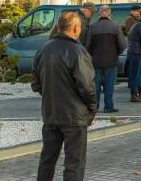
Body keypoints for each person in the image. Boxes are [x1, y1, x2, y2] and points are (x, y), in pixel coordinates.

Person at [32, 12, 96, 181]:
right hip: (74, 116)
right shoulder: (78, 51)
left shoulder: (43, 49)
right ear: (75, 28)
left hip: (51, 113)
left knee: (47, 160)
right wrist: (92, 107)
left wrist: (52, 95)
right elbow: (86, 86)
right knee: (74, 163)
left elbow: (36, 84)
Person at [84, 5, 125, 113]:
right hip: (111, 60)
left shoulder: (92, 27)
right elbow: (122, 44)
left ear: (99, 13)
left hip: (96, 60)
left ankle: (95, 106)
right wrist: (116, 53)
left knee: (96, 85)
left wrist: (92, 54)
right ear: (109, 13)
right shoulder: (115, 27)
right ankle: (108, 106)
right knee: (109, 85)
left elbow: (87, 45)